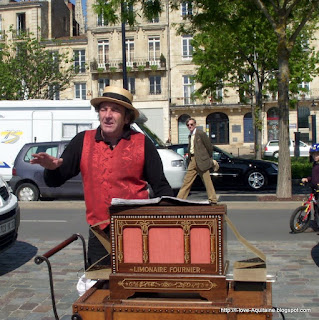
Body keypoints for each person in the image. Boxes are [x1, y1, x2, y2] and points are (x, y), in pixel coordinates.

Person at [31, 86, 173, 266]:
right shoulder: (83, 141)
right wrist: (51, 167)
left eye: (115, 110)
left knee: (139, 285)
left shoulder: (142, 143)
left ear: (126, 117)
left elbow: (161, 186)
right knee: (101, 287)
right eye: (104, 109)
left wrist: (171, 221)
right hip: (100, 234)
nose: (107, 115)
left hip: (138, 230)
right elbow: (54, 181)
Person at [177, 117, 217, 204]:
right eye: (188, 125)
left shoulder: (200, 133)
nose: (190, 126)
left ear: (195, 125)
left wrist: (209, 159)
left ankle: (213, 199)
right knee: (187, 181)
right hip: (192, 160)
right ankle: (179, 199)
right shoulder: (190, 135)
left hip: (202, 160)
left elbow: (209, 147)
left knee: (207, 181)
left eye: (191, 124)